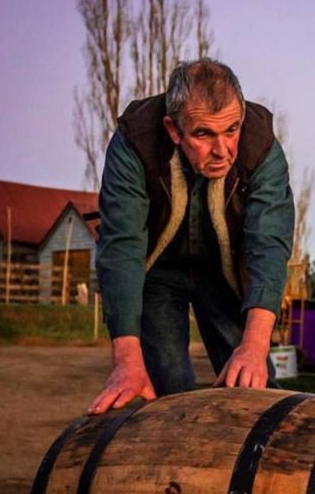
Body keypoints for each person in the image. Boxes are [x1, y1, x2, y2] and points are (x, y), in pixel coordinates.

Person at [88, 58, 294, 415]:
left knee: (253, 385)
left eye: (232, 130)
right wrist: (126, 361)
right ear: (173, 129)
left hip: (224, 272)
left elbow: (269, 245)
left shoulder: (261, 146)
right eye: (204, 134)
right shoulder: (134, 142)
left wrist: (255, 346)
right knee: (169, 391)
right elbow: (121, 248)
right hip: (158, 273)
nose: (223, 150)